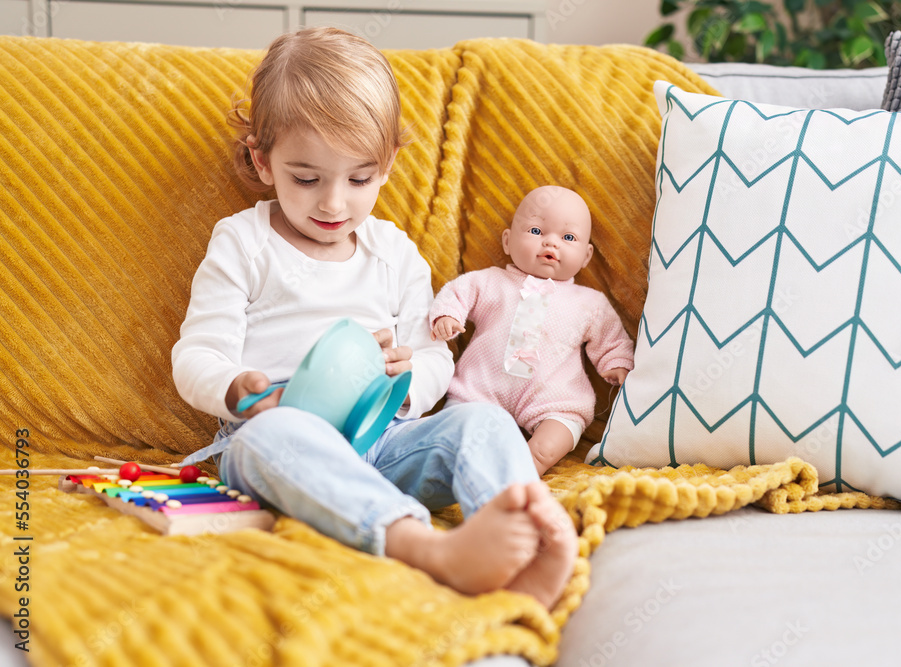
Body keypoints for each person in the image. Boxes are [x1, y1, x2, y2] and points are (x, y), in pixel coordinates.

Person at [171, 27, 575, 609]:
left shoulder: (394, 254)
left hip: (385, 440)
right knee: (269, 440)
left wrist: (407, 380)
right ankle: (431, 551)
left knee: (483, 423)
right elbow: (196, 355)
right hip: (283, 442)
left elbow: (436, 357)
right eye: (306, 179)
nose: (333, 203)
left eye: (359, 179)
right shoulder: (243, 242)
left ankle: (522, 540)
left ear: (386, 166)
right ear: (263, 161)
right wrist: (237, 391)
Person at [430, 186, 634, 475]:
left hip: (554, 399)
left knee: (553, 440)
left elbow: (611, 338)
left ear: (586, 257)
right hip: (479, 391)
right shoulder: (491, 282)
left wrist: (616, 363)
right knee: (457, 432)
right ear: (507, 241)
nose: (551, 243)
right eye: (536, 231)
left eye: (568, 237)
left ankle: (520, 473)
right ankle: (467, 469)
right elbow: (457, 292)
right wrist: (448, 314)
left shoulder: (589, 303)